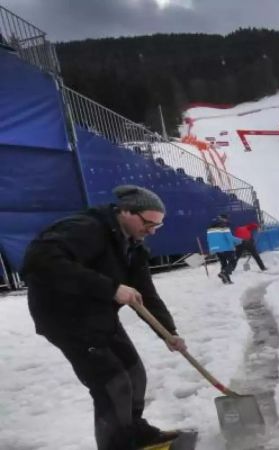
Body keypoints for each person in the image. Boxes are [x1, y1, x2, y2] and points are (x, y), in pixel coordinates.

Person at [21, 185, 186, 450]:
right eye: (148, 223)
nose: (152, 230)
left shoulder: (132, 245)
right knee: (113, 385)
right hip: (66, 320)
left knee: (135, 374)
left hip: (99, 316)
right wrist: (110, 288)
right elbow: (38, 261)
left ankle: (135, 434)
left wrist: (169, 332)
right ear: (126, 211)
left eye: (158, 225)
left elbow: (145, 293)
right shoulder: (86, 227)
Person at [207, 214, 241, 284]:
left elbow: (208, 239)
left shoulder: (209, 227)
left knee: (223, 264)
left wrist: (212, 249)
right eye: (226, 219)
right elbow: (230, 238)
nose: (227, 220)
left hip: (216, 249)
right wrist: (240, 240)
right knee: (233, 261)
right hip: (226, 248)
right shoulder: (224, 226)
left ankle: (226, 280)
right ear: (223, 219)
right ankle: (224, 273)